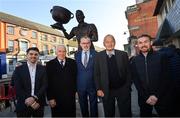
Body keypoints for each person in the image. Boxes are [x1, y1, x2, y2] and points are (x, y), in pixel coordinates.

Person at [131, 34, 169, 117]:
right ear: (138, 45)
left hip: (161, 97)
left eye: (145, 42)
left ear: (151, 43)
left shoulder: (161, 56)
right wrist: (146, 97)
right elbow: (136, 81)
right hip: (144, 98)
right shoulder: (134, 61)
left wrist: (156, 95)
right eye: (140, 43)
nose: (143, 44)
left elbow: (166, 78)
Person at [94, 34, 132, 117]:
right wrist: (98, 89)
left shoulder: (123, 54)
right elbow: (96, 74)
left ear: (114, 43)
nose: (110, 44)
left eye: (112, 42)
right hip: (107, 90)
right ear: (104, 44)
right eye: (107, 42)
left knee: (126, 113)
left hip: (122, 89)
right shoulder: (98, 56)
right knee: (109, 113)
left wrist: (127, 87)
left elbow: (128, 72)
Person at [13, 47, 47, 117]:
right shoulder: (18, 69)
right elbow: (17, 87)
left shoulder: (43, 69)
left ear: (38, 56)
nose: (33, 56)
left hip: (38, 104)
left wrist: (34, 98)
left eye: (36, 54)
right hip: (23, 103)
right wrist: (31, 102)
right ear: (27, 56)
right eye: (31, 54)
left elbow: (45, 85)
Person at [46, 45, 77, 117]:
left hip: (70, 98)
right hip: (56, 98)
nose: (62, 53)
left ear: (66, 52)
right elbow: (48, 82)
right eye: (59, 51)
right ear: (56, 52)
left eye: (64, 51)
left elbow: (75, 78)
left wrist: (75, 91)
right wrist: (50, 98)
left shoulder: (72, 63)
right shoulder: (50, 64)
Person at [75, 36, 98, 117]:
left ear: (90, 43)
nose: (86, 45)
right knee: (83, 106)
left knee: (94, 106)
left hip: (93, 85)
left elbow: (98, 71)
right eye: (83, 43)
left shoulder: (96, 54)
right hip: (80, 86)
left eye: (87, 43)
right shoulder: (76, 55)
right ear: (80, 44)